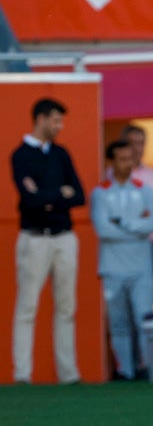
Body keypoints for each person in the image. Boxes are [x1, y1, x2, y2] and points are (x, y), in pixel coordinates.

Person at [10, 97, 86, 385]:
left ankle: (69, 374)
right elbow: (29, 200)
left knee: (67, 307)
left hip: (64, 238)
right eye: (55, 120)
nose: (59, 126)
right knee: (27, 306)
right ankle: (22, 374)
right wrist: (58, 195)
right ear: (41, 119)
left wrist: (46, 197)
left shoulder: (61, 154)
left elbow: (79, 195)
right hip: (34, 239)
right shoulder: (20, 155)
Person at [91, 140, 153, 380]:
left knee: (144, 319)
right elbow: (103, 230)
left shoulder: (146, 190)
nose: (128, 164)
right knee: (118, 323)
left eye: (130, 159)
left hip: (142, 268)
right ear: (112, 162)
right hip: (112, 269)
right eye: (122, 160)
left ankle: (146, 368)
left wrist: (123, 223)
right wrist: (136, 229)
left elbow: (152, 224)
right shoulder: (100, 193)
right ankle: (125, 370)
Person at [112, 124, 153, 293]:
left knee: (148, 306)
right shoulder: (111, 176)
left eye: (141, 143)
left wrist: (145, 218)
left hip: (152, 247)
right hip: (123, 248)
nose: (137, 148)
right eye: (132, 143)